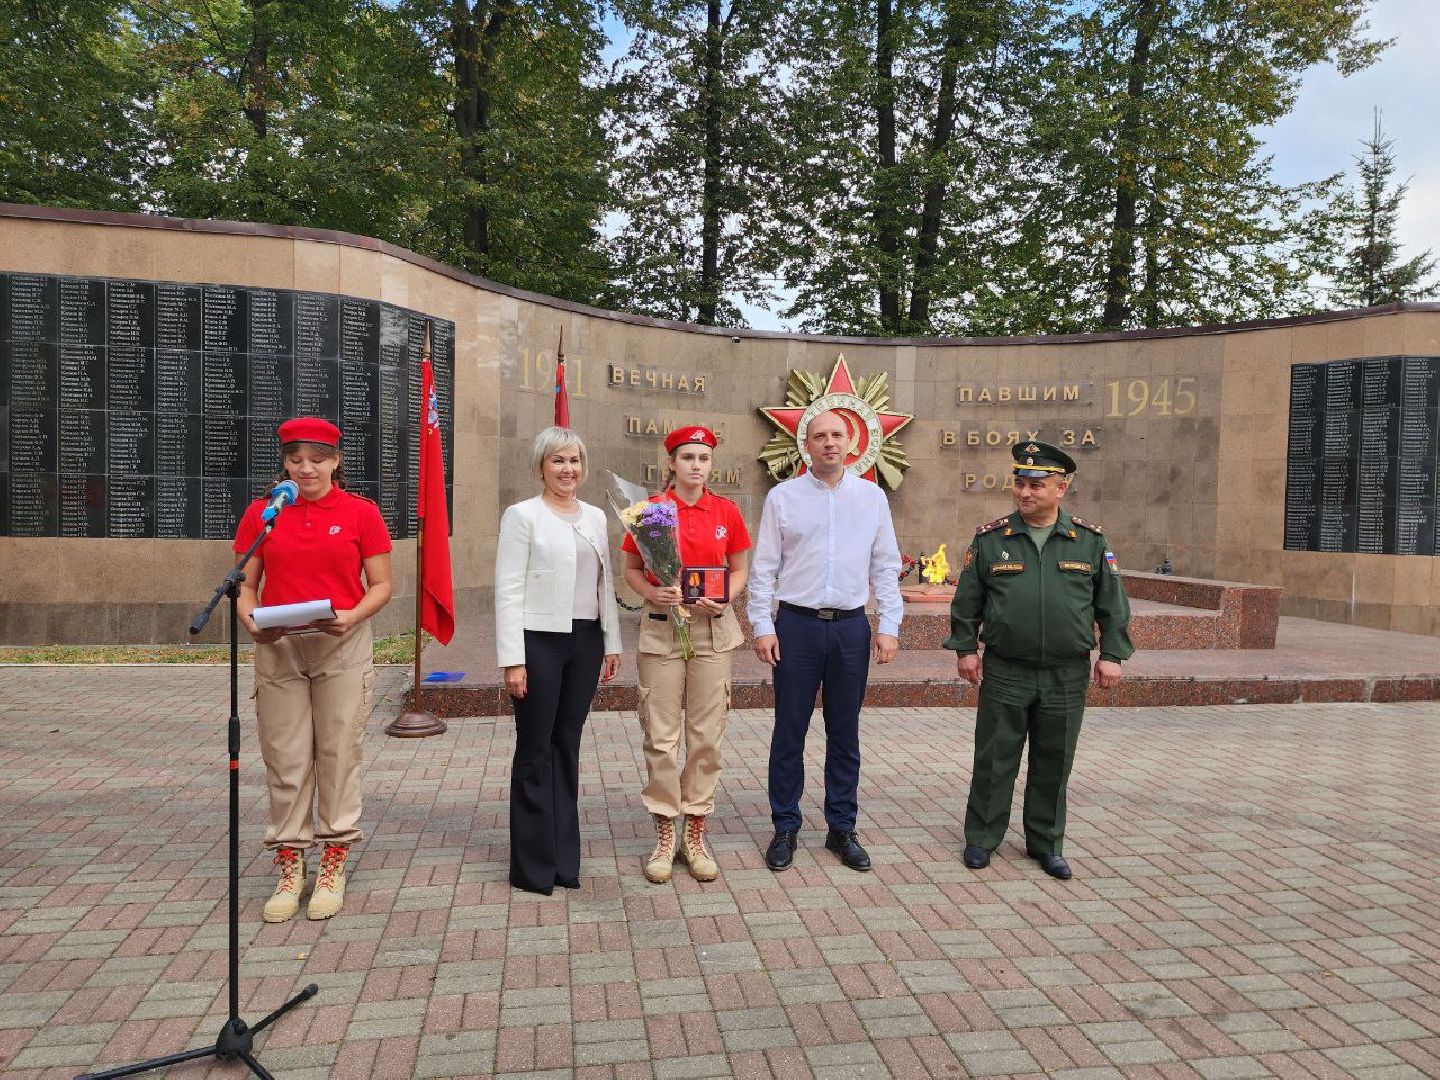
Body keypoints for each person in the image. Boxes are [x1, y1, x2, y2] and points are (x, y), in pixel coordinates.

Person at [945, 440, 1133, 880]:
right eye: (1019, 483)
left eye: (1036, 485)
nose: (1024, 492)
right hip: (1007, 668)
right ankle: (982, 838)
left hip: (1066, 673)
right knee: (995, 757)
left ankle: (1046, 843)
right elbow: (967, 600)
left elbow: (1112, 604)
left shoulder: (1089, 541)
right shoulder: (992, 539)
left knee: (1054, 758)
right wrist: (966, 648)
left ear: (1061, 488)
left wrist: (1112, 654)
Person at [235, 417, 393, 922]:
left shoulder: (360, 514)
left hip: (339, 644)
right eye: (297, 459)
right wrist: (251, 622)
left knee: (338, 750)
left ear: (336, 460)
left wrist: (352, 616)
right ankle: (288, 863)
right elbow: (244, 585)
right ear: (283, 460)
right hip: (279, 646)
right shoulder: (264, 513)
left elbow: (381, 585)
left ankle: (333, 859)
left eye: (318, 458)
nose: (307, 469)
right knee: (285, 757)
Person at [748, 410, 903, 873]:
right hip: (797, 627)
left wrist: (889, 625)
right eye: (820, 436)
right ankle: (785, 826)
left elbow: (885, 565)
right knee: (788, 730)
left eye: (837, 434)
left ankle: (841, 827)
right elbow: (764, 568)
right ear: (806, 444)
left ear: (850, 441)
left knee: (845, 733)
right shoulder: (783, 497)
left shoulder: (871, 497)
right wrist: (762, 625)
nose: (829, 443)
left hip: (851, 629)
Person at [621, 426, 751, 885]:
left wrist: (727, 598)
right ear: (672, 463)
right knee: (660, 736)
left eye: (704, 458)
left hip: (713, 630)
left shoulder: (726, 511)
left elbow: (738, 569)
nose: (697, 465)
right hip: (662, 632)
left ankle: (694, 832)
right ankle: (663, 831)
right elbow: (633, 569)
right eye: (688, 457)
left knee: (706, 738)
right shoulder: (651, 512)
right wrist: (652, 594)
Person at [495, 427, 621, 895]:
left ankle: (565, 859)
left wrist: (612, 643)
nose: (567, 469)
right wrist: (513, 658)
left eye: (574, 460)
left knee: (567, 745)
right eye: (557, 461)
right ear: (540, 466)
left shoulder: (594, 517)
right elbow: (508, 588)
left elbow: (603, 584)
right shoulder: (522, 515)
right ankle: (532, 865)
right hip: (537, 642)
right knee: (534, 749)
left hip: (585, 642)